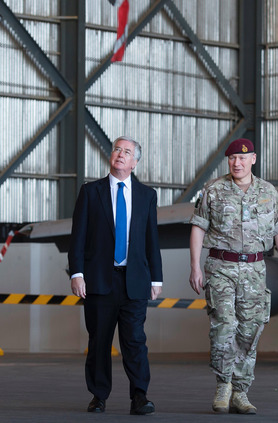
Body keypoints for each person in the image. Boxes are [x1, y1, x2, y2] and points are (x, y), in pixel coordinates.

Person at [189, 138, 278, 415]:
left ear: (253, 159)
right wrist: (195, 266)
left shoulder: (268, 192)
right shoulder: (213, 190)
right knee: (223, 325)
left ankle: (241, 392)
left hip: (255, 271)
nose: (237, 163)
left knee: (250, 331)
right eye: (233, 158)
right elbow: (198, 228)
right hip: (221, 267)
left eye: (242, 158)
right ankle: (223, 386)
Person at [68, 135, 163, 415]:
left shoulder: (147, 195)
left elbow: (151, 240)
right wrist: (77, 273)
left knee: (134, 340)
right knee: (99, 341)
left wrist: (156, 278)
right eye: (117, 150)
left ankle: (139, 396)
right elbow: (78, 238)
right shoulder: (90, 192)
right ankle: (98, 396)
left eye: (127, 152)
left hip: (134, 281)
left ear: (134, 163)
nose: (120, 154)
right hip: (99, 280)